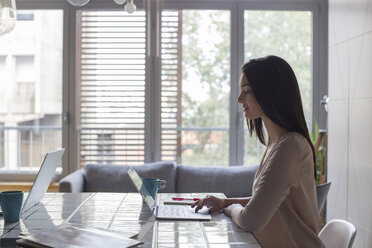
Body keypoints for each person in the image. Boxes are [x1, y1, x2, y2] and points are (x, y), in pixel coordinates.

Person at [191, 55, 325, 248]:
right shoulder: (277, 143)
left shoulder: (291, 147)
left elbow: (251, 219)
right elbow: (266, 203)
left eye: (246, 91)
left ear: (269, 93)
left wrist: (231, 209)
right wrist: (225, 202)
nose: (239, 99)